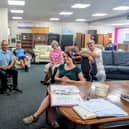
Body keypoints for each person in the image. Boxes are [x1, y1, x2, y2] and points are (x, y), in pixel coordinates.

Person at [22, 51, 86, 128]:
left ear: (71, 57)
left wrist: (69, 81)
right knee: (50, 96)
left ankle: (37, 116)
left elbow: (83, 82)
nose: (66, 58)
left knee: (50, 97)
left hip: (71, 90)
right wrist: (62, 79)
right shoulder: (61, 66)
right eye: (64, 57)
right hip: (60, 88)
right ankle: (49, 121)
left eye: (67, 56)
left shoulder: (76, 69)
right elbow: (55, 77)